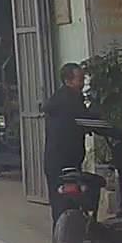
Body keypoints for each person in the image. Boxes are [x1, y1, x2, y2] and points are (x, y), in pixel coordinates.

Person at [43, 62, 98, 229]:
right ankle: (70, 237)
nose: (82, 83)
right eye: (79, 79)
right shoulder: (70, 100)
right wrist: (116, 131)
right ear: (68, 81)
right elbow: (88, 121)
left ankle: (63, 238)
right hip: (65, 160)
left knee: (60, 203)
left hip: (57, 159)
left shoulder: (59, 98)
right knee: (71, 200)